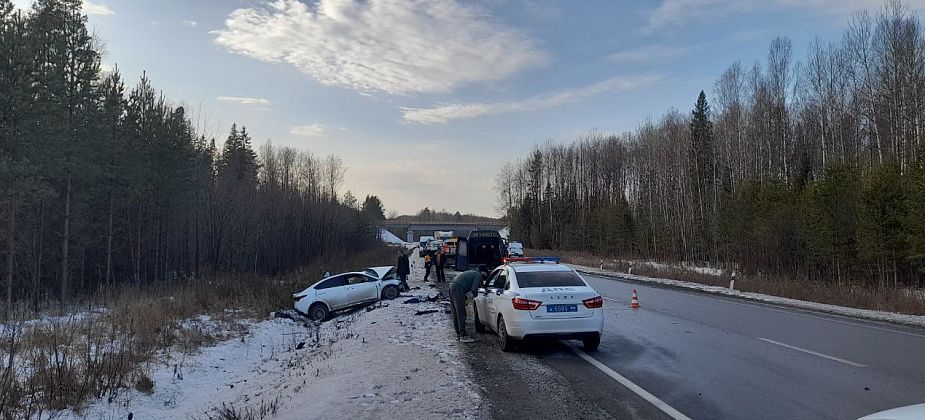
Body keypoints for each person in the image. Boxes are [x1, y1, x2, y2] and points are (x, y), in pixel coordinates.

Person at [449, 265, 489, 342]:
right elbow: (474, 289)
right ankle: (463, 335)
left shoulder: (473, 272)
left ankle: (458, 334)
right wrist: (477, 296)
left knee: (456, 312)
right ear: (483, 272)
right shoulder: (478, 275)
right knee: (461, 313)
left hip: (452, 287)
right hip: (458, 289)